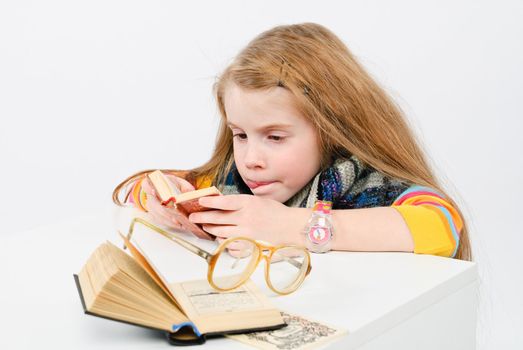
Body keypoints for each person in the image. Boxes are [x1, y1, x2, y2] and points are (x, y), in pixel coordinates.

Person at [113, 23, 471, 260]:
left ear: (332, 129)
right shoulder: (231, 184)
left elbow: (443, 225)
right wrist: (155, 195)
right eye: (240, 134)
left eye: (275, 137)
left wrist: (289, 225)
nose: (251, 158)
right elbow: (134, 189)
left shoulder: (364, 183)